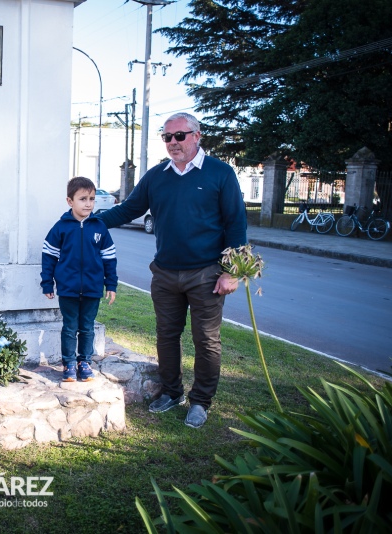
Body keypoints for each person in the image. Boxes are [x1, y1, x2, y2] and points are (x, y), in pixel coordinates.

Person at [96, 112, 246, 429]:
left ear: (197, 135)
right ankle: (172, 392)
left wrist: (231, 272)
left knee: (206, 340)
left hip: (206, 273)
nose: (173, 142)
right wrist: (87, 220)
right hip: (165, 272)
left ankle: (201, 402)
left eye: (180, 135)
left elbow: (236, 224)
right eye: (167, 137)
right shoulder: (156, 176)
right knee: (166, 336)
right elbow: (128, 209)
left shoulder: (220, 173)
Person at [41, 177, 118, 382]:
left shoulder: (99, 228)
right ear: (70, 201)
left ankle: (84, 362)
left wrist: (111, 284)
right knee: (70, 327)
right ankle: (69, 364)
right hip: (68, 289)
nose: (88, 203)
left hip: (93, 288)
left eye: (92, 199)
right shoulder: (61, 228)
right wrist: (47, 282)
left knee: (87, 327)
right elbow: (48, 256)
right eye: (83, 199)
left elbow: (109, 257)